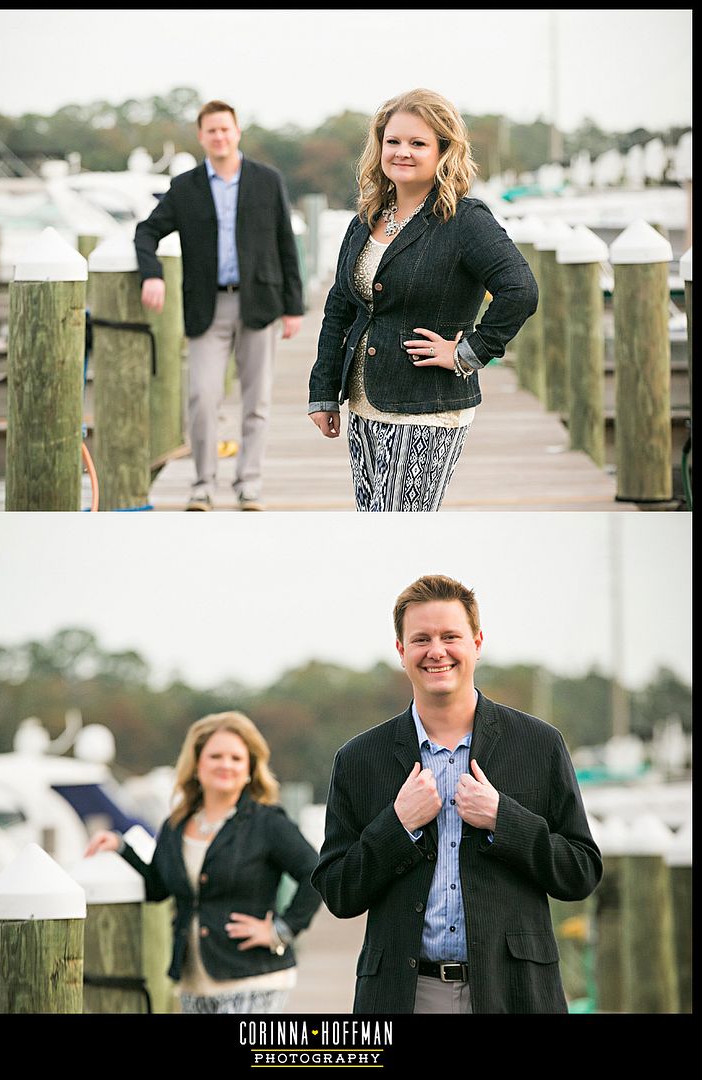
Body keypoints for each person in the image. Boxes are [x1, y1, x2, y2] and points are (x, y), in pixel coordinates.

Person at [312, 575, 602, 1013]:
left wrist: (505, 820)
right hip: (402, 996)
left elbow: (581, 871)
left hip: (514, 991)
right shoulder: (357, 759)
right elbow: (337, 891)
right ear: (401, 651)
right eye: (421, 639)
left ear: (477, 642)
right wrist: (398, 825)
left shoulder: (539, 744)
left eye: (451, 636)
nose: (437, 651)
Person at [308, 88, 538, 512]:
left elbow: (520, 288)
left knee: (399, 520)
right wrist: (323, 390)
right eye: (393, 141)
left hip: (426, 407)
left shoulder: (465, 220)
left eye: (418, 143)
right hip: (363, 403)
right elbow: (339, 307)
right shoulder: (366, 220)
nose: (402, 152)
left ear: (443, 151)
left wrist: (469, 353)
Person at [85, 711, 321, 1014]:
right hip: (192, 982)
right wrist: (121, 847)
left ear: (250, 767)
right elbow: (157, 887)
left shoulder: (266, 822)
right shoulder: (176, 825)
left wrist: (280, 930)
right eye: (216, 756)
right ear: (197, 764)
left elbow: (315, 872)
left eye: (236, 758)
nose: (226, 765)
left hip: (254, 978)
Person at [135, 100, 304, 512]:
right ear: (201, 136)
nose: (220, 137)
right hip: (207, 307)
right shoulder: (185, 187)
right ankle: (202, 484)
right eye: (211, 131)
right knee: (202, 397)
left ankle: (249, 483)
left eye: (225, 129)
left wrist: (293, 306)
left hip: (260, 303)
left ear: (237, 131)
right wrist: (151, 274)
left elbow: (286, 243)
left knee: (257, 401)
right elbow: (146, 232)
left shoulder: (267, 180)